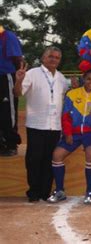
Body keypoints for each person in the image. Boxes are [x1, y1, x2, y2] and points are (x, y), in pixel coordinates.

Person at [13, 47, 69, 202]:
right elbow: (17, 93)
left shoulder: (61, 78)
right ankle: (34, 192)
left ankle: (45, 191)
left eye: (57, 57)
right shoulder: (32, 74)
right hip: (36, 124)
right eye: (50, 56)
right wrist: (18, 80)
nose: (54, 59)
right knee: (34, 159)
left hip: (54, 126)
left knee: (49, 159)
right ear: (43, 57)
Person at [47, 70, 91, 204]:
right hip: (74, 132)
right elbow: (66, 116)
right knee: (57, 155)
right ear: (83, 79)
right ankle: (60, 190)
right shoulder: (72, 94)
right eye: (89, 79)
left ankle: (89, 191)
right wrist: (67, 133)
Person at [0, 26, 23, 156]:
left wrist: (17, 76)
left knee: (8, 111)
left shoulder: (6, 35)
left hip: (5, 75)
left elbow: (17, 58)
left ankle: (11, 143)